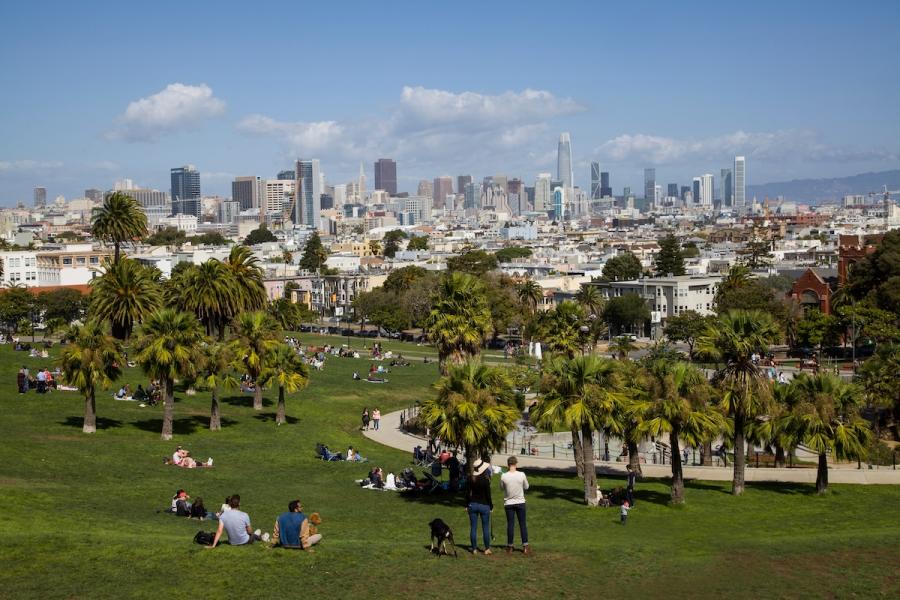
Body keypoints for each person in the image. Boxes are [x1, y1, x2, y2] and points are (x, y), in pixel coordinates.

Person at [500, 456, 530, 555]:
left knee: (510, 525)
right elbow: (527, 486)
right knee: (522, 524)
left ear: (508, 465)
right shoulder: (521, 474)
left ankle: (510, 546)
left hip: (509, 503)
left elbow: (502, 488)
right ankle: (525, 546)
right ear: (516, 464)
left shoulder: (504, 476)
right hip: (520, 502)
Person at [466, 458, 493, 555]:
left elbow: (467, 494)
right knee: (485, 528)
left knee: (473, 527)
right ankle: (487, 549)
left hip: (473, 504)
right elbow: (488, 495)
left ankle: (474, 549)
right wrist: (491, 506)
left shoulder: (470, 478)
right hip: (484, 505)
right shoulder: (486, 480)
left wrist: (467, 504)